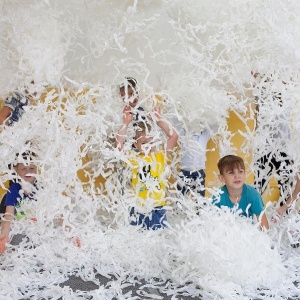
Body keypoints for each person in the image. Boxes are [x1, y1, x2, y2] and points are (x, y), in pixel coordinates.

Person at [0, 151, 80, 254]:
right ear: (16, 171)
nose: (28, 171)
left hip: (39, 229)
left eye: (32, 168)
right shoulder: (14, 189)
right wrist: (4, 237)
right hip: (23, 229)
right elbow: (8, 216)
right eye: (23, 168)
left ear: (37, 169)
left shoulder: (42, 188)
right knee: (17, 241)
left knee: (54, 240)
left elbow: (57, 213)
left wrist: (71, 233)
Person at [115, 105, 178, 230]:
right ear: (136, 144)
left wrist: (158, 120)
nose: (148, 146)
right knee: (138, 240)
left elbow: (174, 136)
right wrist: (125, 123)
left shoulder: (160, 156)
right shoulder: (133, 158)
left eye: (151, 142)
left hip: (158, 208)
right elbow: (119, 146)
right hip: (138, 208)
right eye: (144, 143)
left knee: (157, 240)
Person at [252, 71, 294, 203]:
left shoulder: (286, 103)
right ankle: (253, 214)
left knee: (286, 186)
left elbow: (289, 84)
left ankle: (285, 214)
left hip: (283, 150)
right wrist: (259, 76)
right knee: (259, 185)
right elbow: (257, 86)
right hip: (264, 149)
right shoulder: (263, 104)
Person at [213, 155, 269, 230]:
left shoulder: (252, 195)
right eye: (231, 173)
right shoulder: (217, 197)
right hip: (225, 235)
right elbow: (212, 225)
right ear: (222, 178)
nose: (237, 176)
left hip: (247, 235)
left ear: (245, 174)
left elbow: (265, 227)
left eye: (240, 172)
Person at [176, 124, 218, 197]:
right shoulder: (183, 134)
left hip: (199, 174)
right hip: (184, 173)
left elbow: (216, 125)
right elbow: (174, 123)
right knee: (180, 199)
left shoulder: (204, 136)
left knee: (199, 200)